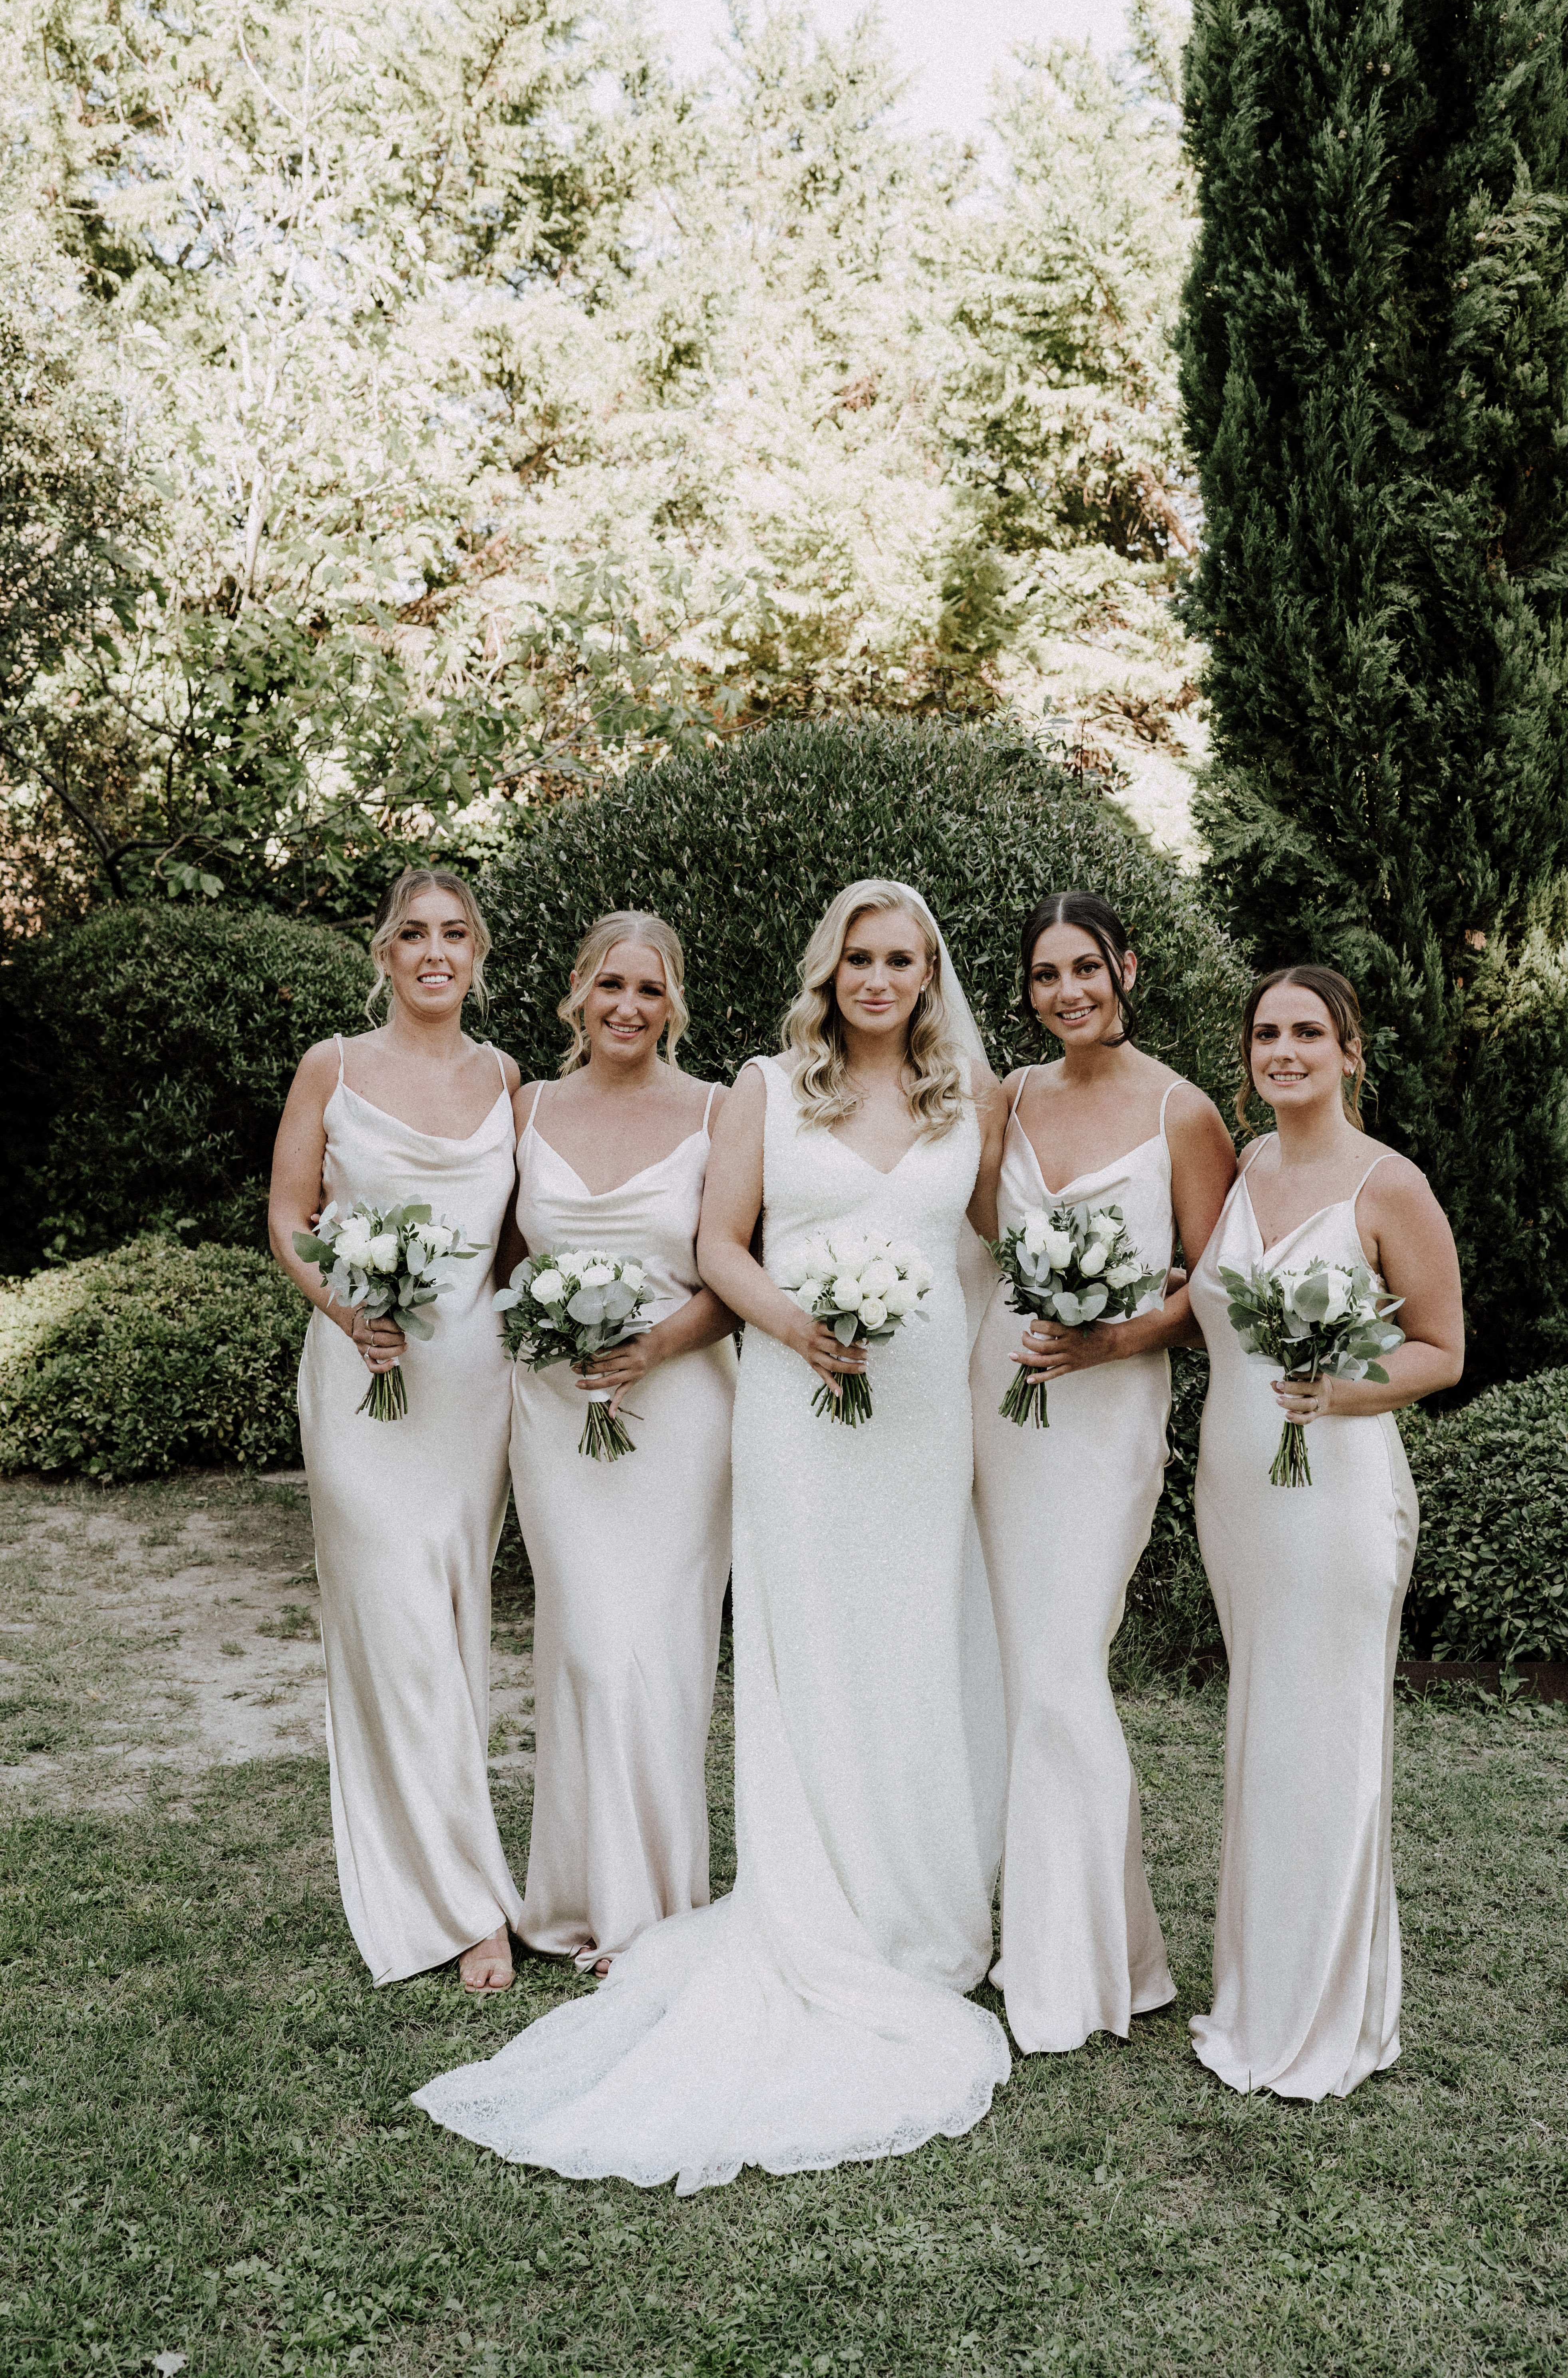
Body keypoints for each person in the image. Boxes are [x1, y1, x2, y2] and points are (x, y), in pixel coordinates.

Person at [413, 879, 1012, 2191]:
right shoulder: (768, 1087)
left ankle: (913, 1897)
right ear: (829, 969)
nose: (877, 978)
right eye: (858, 957)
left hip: (918, 1411)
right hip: (796, 1402)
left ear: (928, 974)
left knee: (909, 1637)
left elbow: (1004, 1236)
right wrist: (799, 1326)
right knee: (800, 1647)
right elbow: (722, 1247)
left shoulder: (973, 1096)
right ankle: (805, 1891)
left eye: (901, 959)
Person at [1185, 965, 1464, 2098]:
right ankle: (1259, 1989)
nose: (1284, 1051)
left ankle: (1327, 2013)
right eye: (1267, 1033)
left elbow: (1441, 1348)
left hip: (1337, 1491)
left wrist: (1341, 1392)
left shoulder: (1390, 1185)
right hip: (1238, 1491)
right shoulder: (1246, 1168)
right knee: (1264, 1729)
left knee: (1326, 1737)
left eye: (1308, 1032)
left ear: (1350, 1052)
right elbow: (1203, 1310)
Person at [971, 892, 1237, 2055]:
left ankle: (1071, 1961)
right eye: (1045, 975)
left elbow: (1216, 1290)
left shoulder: (1183, 1110)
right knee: (1021, 1664)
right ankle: (1106, 1949)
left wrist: (1110, 1339)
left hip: (1107, 1411)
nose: (1067, 992)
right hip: (1001, 1398)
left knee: (1062, 1662)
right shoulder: (1011, 1096)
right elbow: (983, 1236)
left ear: (1126, 968)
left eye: (1085, 968)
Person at [268, 869, 522, 1992]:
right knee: (393, 1622)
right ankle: (465, 1906)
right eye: (413, 933)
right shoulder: (332, 1066)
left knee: (453, 1624)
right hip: (359, 1376)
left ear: (477, 956)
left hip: (470, 1388)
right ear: (384, 953)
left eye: (454, 934)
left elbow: (515, 1243)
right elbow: (290, 1217)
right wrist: (345, 1307)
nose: (434, 951)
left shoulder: (507, 1080)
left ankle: (449, 1863)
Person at [505, 911, 735, 1976]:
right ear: (579, 993)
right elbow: (503, 1260)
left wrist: (651, 1347)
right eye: (611, 986)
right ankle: (580, 1894)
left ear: (673, 1002)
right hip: (554, 1415)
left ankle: (655, 1905)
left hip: (679, 1410)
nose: (628, 1007)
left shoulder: (718, 1111)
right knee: (587, 1645)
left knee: (664, 1650)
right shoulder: (528, 1108)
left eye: (649, 989)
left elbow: (736, 1276)